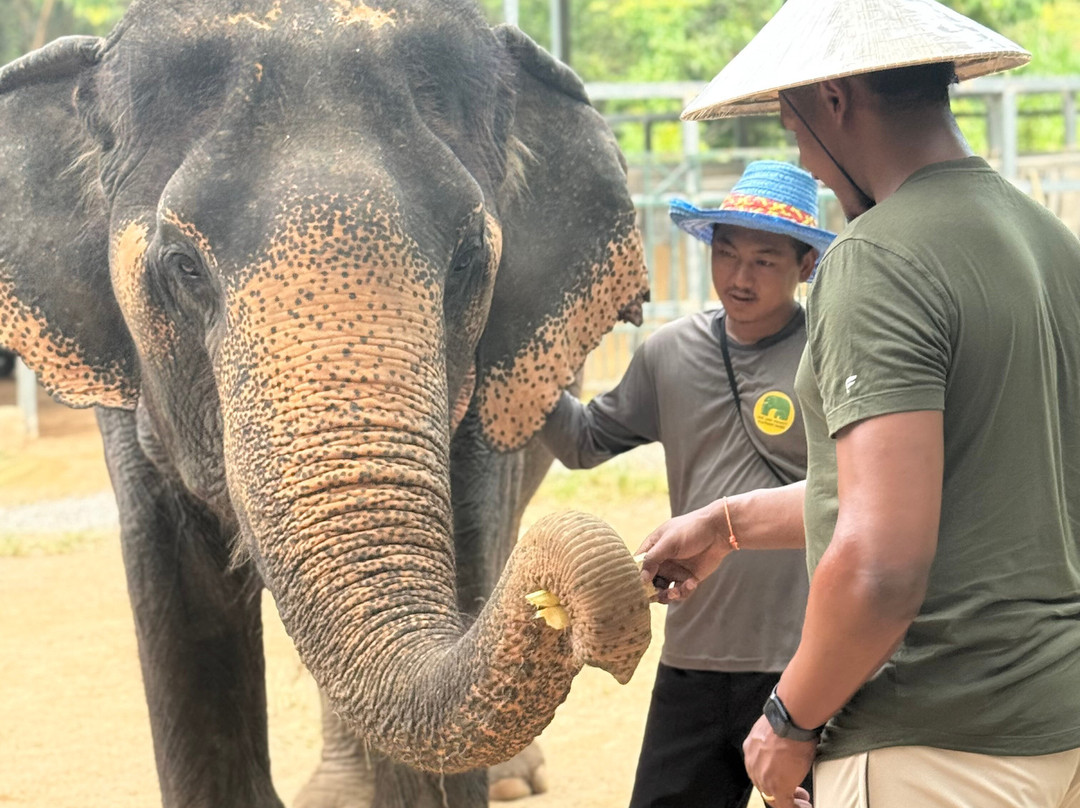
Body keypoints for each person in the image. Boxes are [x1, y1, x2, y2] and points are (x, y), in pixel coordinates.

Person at [638, 1, 1080, 807]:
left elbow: (880, 562)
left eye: (794, 126)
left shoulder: (877, 257)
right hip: (1056, 725)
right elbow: (944, 486)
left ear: (835, 98)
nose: (804, 158)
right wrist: (726, 525)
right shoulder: (1048, 242)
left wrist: (788, 718)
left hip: (933, 742)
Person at [540, 160, 834, 808]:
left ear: (805, 265)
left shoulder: (833, 354)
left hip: (807, 665)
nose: (739, 276)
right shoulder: (668, 354)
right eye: (726, 253)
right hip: (695, 655)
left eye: (764, 260)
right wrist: (530, 374)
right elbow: (584, 442)